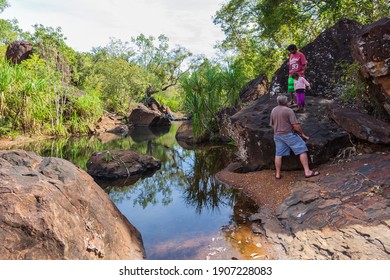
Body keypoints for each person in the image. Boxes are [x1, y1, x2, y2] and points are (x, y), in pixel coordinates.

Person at [269, 95, 320, 179]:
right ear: (285, 102)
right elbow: (295, 125)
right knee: (302, 149)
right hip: (288, 135)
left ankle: (277, 174)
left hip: (277, 135)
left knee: (278, 154)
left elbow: (272, 123)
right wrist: (302, 134)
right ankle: (307, 172)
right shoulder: (288, 111)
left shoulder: (274, 110)